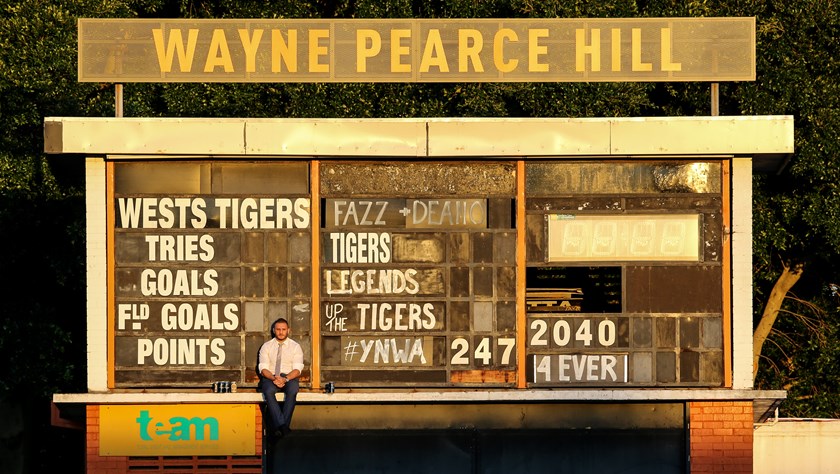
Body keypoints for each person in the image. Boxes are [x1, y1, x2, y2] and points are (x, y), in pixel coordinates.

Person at [257, 317, 304, 438]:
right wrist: (274, 379)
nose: (281, 332)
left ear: (288, 330)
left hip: (289, 376)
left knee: (293, 390)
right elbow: (263, 369)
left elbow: (298, 369)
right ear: (274, 330)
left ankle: (280, 426)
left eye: (283, 329)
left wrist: (285, 379)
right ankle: (284, 427)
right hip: (271, 376)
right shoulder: (266, 346)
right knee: (268, 391)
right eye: (278, 329)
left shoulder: (295, 346)